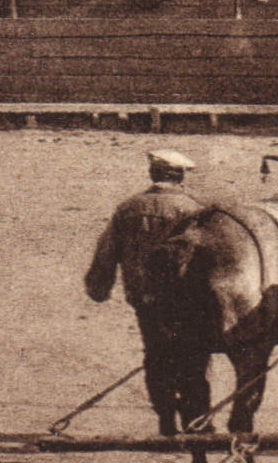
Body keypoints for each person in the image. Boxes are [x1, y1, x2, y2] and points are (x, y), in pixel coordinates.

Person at [84, 150, 209, 437]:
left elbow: (107, 251)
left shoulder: (128, 208)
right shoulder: (192, 209)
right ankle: (195, 421)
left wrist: (99, 287)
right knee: (191, 359)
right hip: (185, 300)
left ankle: (165, 419)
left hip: (143, 297)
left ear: (153, 175)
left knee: (156, 354)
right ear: (178, 177)